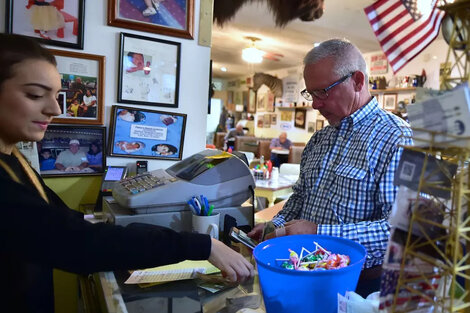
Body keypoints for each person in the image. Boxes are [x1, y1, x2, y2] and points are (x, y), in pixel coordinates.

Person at [0, 33, 253, 313]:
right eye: (35, 95)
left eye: (55, 95)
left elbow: (64, 222)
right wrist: (202, 245)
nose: (55, 109)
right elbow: (76, 241)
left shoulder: (15, 160)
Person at [248, 38, 412, 296]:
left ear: (357, 81)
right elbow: (302, 197)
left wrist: (318, 232)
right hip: (306, 273)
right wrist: (275, 225)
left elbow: (404, 230)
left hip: (364, 287)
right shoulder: (319, 139)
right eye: (311, 93)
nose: (315, 104)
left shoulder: (400, 139)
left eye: (323, 92)